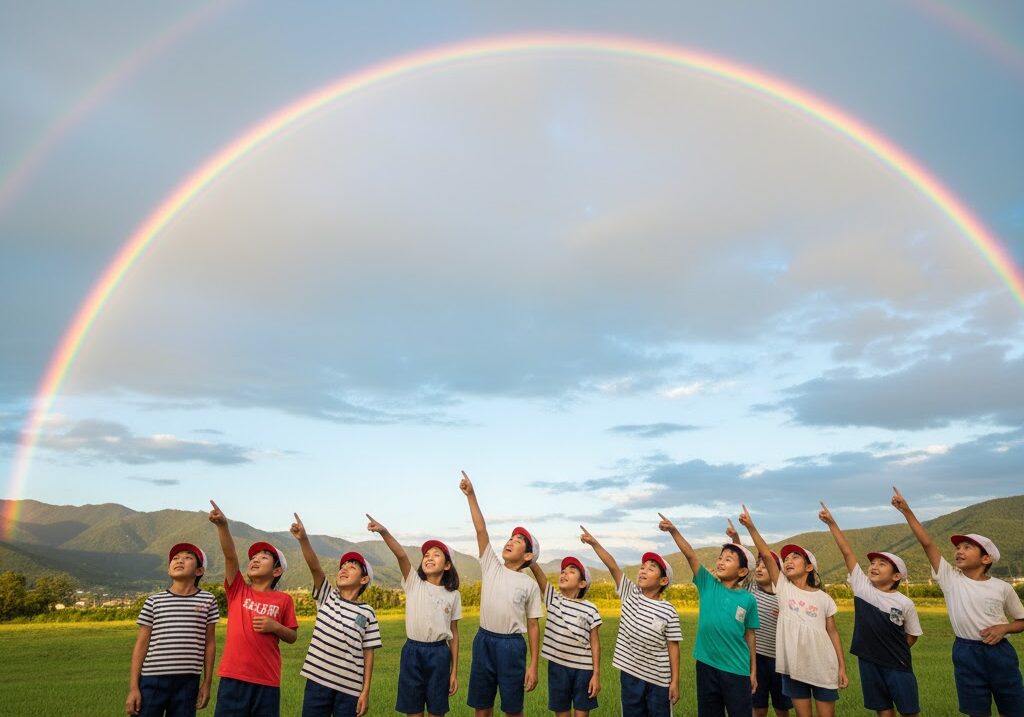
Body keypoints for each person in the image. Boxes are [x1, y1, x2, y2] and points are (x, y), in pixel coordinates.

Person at [891, 486, 1024, 717]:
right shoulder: (950, 579)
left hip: (1000, 653)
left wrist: (1005, 628)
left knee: (1012, 707)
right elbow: (928, 545)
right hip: (965, 651)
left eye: (967, 547)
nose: (958, 551)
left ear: (986, 558)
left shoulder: (1002, 587)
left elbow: (1022, 620)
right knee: (976, 710)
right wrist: (907, 512)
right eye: (957, 548)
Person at [739, 504, 847, 717]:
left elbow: (832, 632)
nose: (788, 560)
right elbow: (767, 556)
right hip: (794, 668)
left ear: (809, 568)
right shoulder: (784, 589)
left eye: (795, 557)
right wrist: (751, 527)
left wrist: (842, 666)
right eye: (786, 559)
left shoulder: (823, 598)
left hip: (823, 665)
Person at [819, 500, 921, 717]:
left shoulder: (904, 603)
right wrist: (832, 524)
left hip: (897, 663)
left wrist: (894, 650)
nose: (873, 566)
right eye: (872, 563)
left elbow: (912, 635)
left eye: (881, 564)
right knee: (882, 709)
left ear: (896, 576)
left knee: (908, 710)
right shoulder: (863, 588)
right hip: (868, 661)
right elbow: (847, 553)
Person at [460, 471, 542, 717]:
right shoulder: (491, 566)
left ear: (527, 556)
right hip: (484, 640)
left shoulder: (529, 585)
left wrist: (534, 665)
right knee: (482, 705)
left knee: (512, 707)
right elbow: (481, 530)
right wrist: (471, 495)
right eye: (511, 537)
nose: (510, 541)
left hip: (512, 646)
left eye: (519, 541)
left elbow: (534, 626)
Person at [660, 512, 759, 716]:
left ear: (742, 572)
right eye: (720, 558)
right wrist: (674, 530)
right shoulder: (707, 584)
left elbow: (750, 635)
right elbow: (690, 555)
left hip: (737, 669)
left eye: (728, 559)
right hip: (706, 666)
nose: (721, 562)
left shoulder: (748, 599)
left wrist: (753, 671)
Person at [579, 524, 682, 716]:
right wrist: (594, 543)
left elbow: (673, 647)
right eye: (643, 567)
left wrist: (675, 681)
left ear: (663, 581)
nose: (643, 570)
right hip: (630, 675)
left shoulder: (669, 610)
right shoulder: (630, 593)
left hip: (659, 679)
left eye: (651, 569)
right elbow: (612, 565)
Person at [208, 500, 298, 717]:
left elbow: (292, 636)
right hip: (233, 678)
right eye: (254, 557)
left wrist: (275, 626)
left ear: (276, 572)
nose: (256, 559)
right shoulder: (238, 589)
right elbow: (231, 556)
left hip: (267, 680)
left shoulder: (283, 599)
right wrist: (223, 526)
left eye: (264, 557)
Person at [366, 513, 460, 717]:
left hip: (439, 654)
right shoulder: (413, 583)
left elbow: (454, 633)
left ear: (447, 565)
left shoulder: (453, 595)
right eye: (426, 555)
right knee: (414, 711)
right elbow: (401, 555)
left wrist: (454, 671)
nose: (429, 558)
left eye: (436, 554)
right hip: (413, 652)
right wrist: (384, 531)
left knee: (437, 711)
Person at [290, 513, 381, 717]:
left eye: (352, 567)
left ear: (364, 579)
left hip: (350, 689)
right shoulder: (326, 595)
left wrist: (365, 690)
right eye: (342, 566)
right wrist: (303, 539)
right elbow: (314, 566)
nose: (344, 569)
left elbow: (368, 653)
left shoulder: (367, 612)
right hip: (317, 682)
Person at [125, 542, 219, 716]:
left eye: (188, 558)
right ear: (169, 570)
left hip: (188, 682)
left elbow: (210, 644)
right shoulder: (154, 601)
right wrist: (133, 687)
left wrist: (207, 682)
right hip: (152, 679)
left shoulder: (208, 600)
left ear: (199, 571)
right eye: (175, 558)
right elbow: (141, 644)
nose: (179, 560)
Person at [727, 519, 791, 717]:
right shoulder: (750, 588)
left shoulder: (784, 595)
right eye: (759, 565)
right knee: (758, 706)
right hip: (755, 659)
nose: (761, 569)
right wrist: (735, 538)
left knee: (782, 707)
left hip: (780, 660)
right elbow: (741, 561)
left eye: (766, 565)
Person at [528, 554, 602, 716]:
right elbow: (541, 578)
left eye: (571, 571)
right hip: (557, 667)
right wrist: (532, 562)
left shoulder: (590, 609)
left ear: (582, 583)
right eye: (563, 571)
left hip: (584, 669)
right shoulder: (554, 600)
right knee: (562, 712)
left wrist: (595, 674)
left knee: (581, 712)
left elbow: (595, 643)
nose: (564, 573)